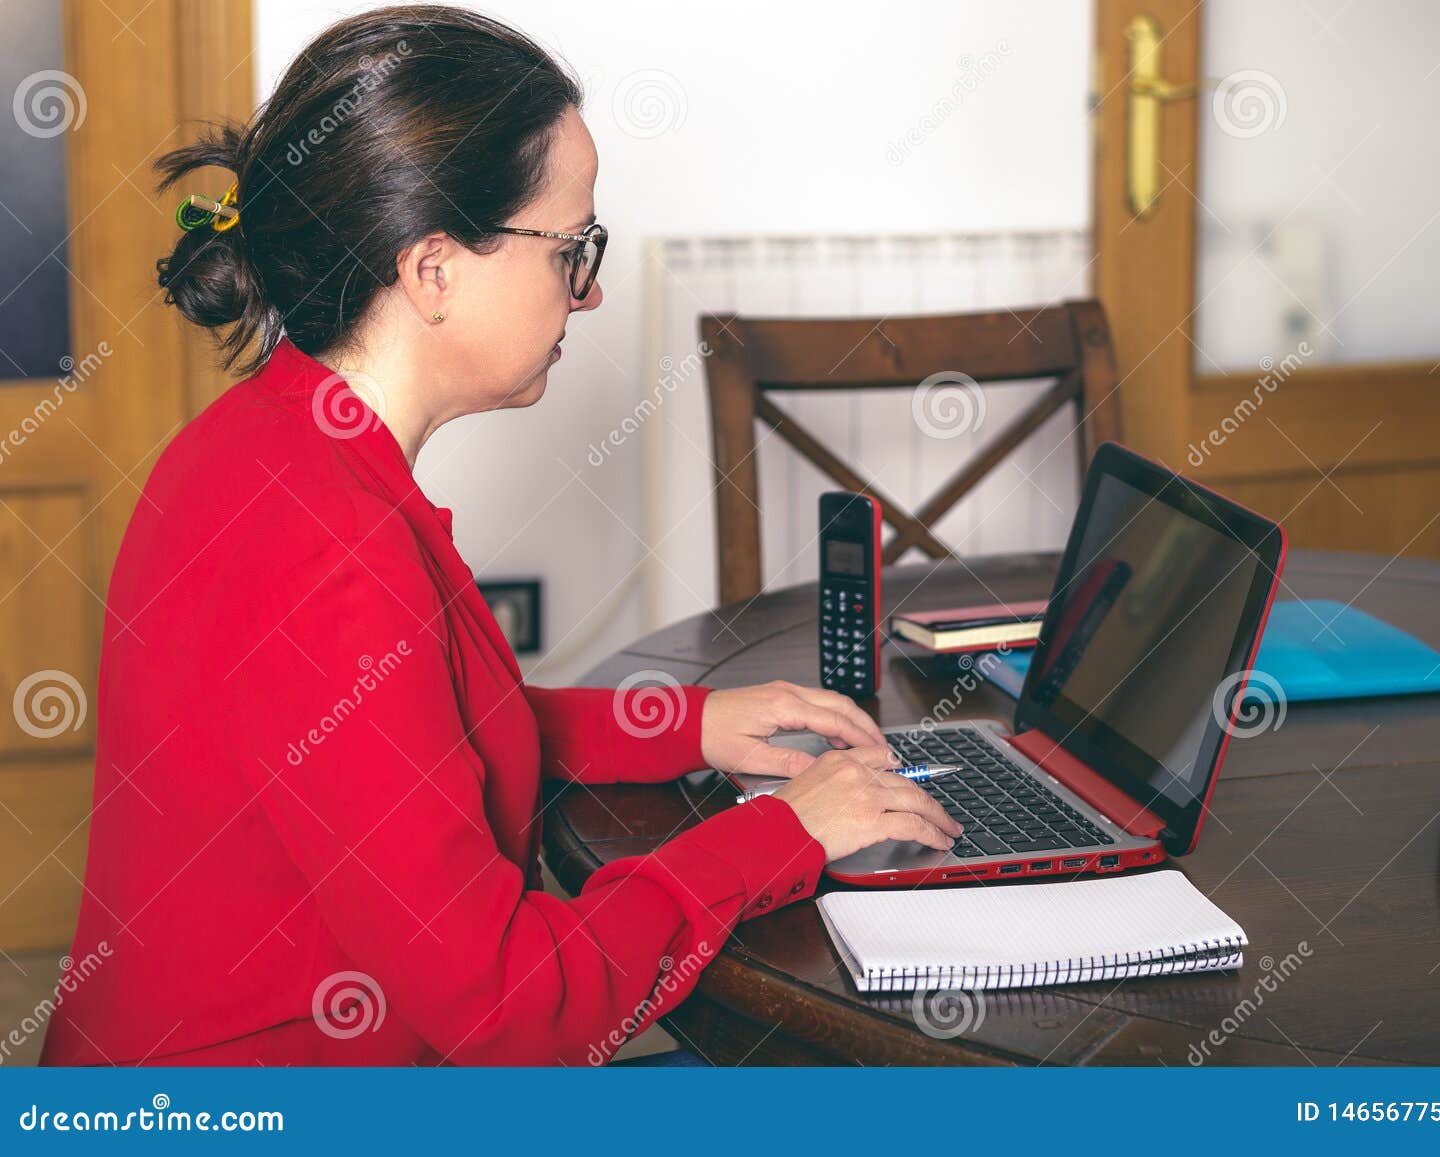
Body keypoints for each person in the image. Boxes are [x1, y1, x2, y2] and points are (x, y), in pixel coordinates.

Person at [41, 4, 958, 1067]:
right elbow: (511, 1007)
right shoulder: (328, 556)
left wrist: (684, 723)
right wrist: (779, 832)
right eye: (571, 247)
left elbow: (417, 736)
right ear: (432, 269)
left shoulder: (262, 440)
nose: (593, 287)